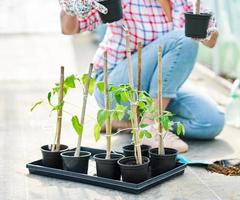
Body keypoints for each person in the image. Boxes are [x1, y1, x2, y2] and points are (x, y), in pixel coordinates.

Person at [60, 0, 225, 153]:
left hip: (154, 94)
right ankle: (150, 127)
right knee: (185, 38)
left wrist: (210, 34)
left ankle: (130, 123)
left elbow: (208, 39)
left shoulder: (182, 2)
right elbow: (69, 28)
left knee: (210, 122)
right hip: (116, 88)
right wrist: (71, 5)